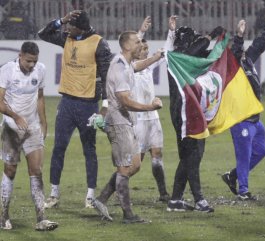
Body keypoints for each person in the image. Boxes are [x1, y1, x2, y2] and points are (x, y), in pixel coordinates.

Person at [38, 10, 113, 208]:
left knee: (89, 150)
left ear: (81, 26)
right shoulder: (67, 38)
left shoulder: (99, 43)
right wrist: (60, 20)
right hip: (67, 103)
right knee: (58, 148)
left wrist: (104, 106)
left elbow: (106, 77)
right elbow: (42, 34)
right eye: (66, 25)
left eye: (70, 25)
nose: (66, 28)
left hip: (88, 104)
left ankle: (89, 196)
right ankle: (54, 194)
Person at [91, 31, 163, 223]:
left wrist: (155, 57)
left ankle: (100, 199)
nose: (141, 44)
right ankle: (128, 214)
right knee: (124, 168)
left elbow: (137, 66)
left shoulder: (127, 63)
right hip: (118, 122)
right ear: (127, 46)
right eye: (137, 42)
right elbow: (125, 101)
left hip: (127, 121)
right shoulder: (120, 68)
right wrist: (150, 107)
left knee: (135, 165)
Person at [165, 25, 224, 213]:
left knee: (188, 157)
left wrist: (227, 39)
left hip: (189, 111)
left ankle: (175, 200)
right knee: (193, 155)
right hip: (185, 113)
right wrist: (210, 36)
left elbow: (213, 55)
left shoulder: (186, 57)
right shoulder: (177, 58)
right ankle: (199, 199)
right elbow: (196, 51)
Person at [0, 42, 58, 231]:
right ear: (20, 55)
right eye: (28, 61)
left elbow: (40, 97)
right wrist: (16, 117)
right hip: (11, 128)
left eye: (35, 61)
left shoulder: (40, 70)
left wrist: (43, 122)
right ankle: (3, 216)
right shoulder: (7, 70)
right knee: (10, 171)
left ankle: (41, 218)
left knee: (37, 171)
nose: (32, 65)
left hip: (32, 128)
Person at [221, 16, 265, 200]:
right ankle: (243, 191)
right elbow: (237, 50)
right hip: (240, 120)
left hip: (255, 120)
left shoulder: (248, 60)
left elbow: (259, 45)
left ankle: (233, 176)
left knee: (260, 152)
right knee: (243, 156)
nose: (243, 51)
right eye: (239, 50)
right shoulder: (234, 67)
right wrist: (238, 35)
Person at [132, 15, 176, 202]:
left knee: (157, 155)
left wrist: (172, 31)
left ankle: (163, 193)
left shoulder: (148, 68)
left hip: (153, 118)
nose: (146, 52)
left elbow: (166, 51)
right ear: (136, 51)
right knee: (136, 162)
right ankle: (118, 186)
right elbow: (128, 47)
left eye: (147, 49)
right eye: (143, 49)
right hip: (138, 120)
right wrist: (140, 32)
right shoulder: (129, 67)